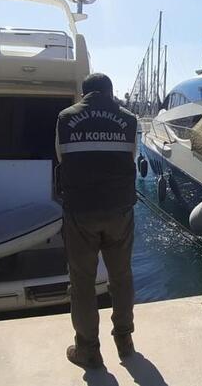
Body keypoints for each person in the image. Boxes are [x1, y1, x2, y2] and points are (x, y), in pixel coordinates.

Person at [55, 73, 138, 368]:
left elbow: (62, 159)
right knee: (122, 277)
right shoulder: (129, 119)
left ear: (84, 93)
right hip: (120, 211)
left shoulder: (66, 117)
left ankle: (88, 349)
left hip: (81, 213)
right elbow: (131, 157)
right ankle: (125, 341)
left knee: (82, 283)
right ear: (110, 92)